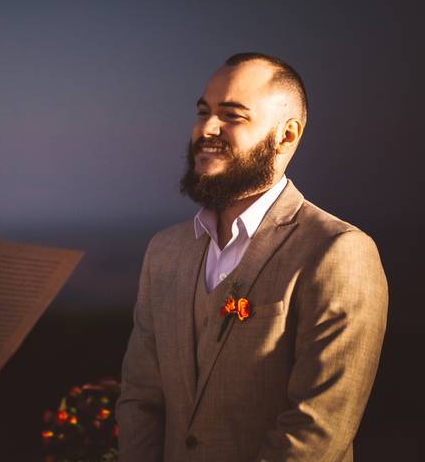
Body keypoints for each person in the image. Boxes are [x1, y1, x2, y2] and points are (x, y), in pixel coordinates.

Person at [116, 53, 387, 461]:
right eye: (203, 112)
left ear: (287, 135)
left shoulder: (338, 252)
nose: (207, 128)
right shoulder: (165, 252)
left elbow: (317, 430)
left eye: (232, 115)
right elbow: (140, 398)